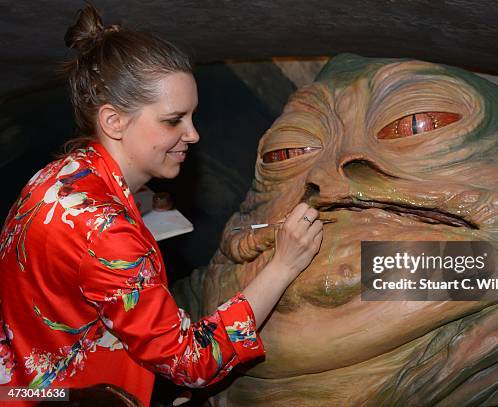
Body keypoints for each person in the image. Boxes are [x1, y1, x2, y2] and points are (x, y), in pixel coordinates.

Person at [0, 5, 323, 405]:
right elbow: (194, 361)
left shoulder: (58, 177)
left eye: (192, 116)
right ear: (114, 121)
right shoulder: (106, 232)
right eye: (174, 120)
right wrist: (285, 264)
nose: (193, 134)